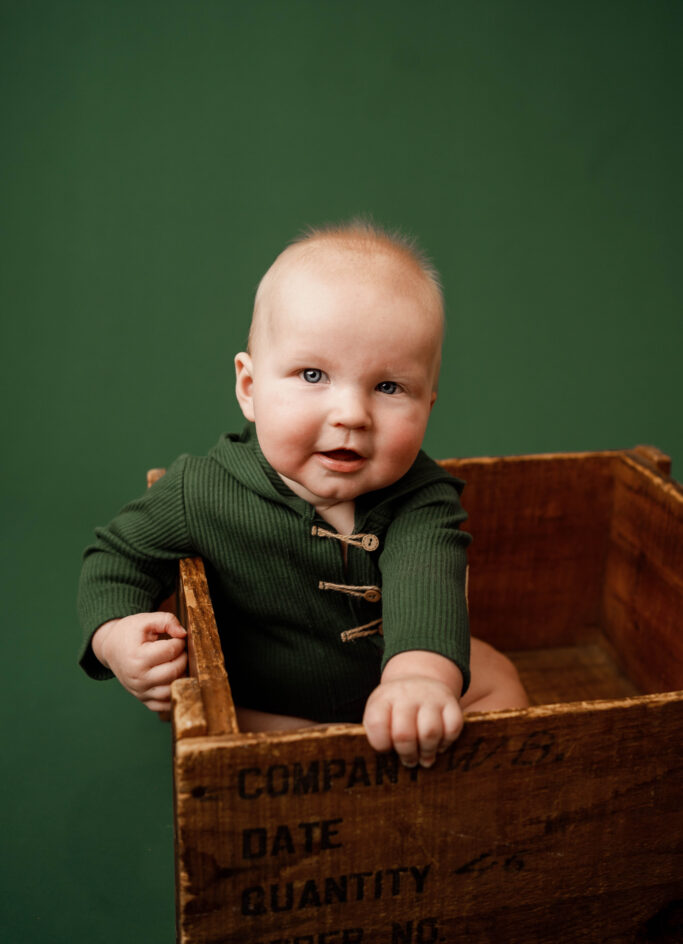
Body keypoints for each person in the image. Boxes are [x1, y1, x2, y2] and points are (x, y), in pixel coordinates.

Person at [78, 220, 527, 769]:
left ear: (428, 404)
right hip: (268, 704)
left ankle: (416, 747)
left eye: (389, 387)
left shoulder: (424, 499)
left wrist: (418, 678)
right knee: (211, 719)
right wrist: (117, 637)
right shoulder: (204, 488)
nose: (351, 415)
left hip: (390, 682)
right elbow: (114, 558)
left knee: (498, 679)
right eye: (313, 374)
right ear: (250, 388)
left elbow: (427, 581)